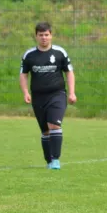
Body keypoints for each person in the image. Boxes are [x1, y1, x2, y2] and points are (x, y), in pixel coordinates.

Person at [19, 22, 77, 170]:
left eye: (46, 35)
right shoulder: (29, 55)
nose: (44, 38)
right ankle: (49, 160)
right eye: (41, 35)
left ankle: (56, 160)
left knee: (54, 125)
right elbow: (23, 74)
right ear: (36, 36)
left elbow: (69, 72)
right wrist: (26, 92)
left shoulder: (59, 53)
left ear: (51, 35)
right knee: (45, 130)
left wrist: (71, 92)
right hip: (38, 97)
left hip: (57, 94)